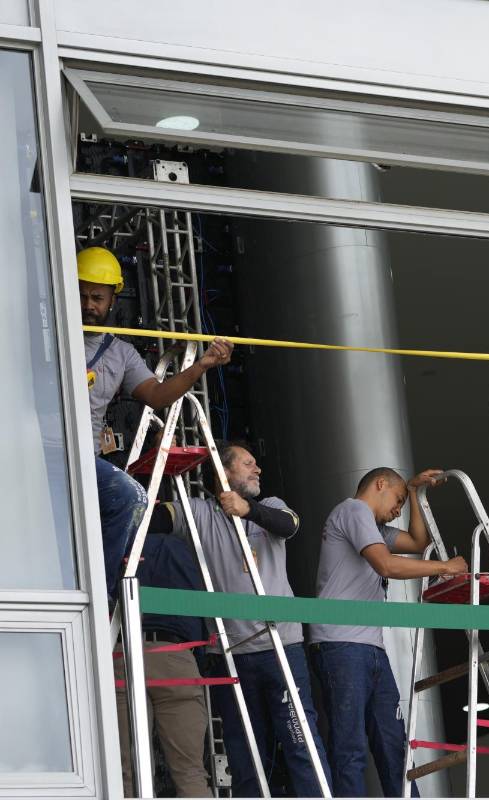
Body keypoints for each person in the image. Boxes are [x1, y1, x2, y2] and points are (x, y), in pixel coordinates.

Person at [150, 441, 330, 797]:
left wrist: (247, 510)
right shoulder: (200, 512)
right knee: (244, 751)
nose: (257, 469)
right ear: (224, 473)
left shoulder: (271, 507)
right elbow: (153, 520)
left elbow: (290, 525)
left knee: (300, 741)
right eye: (248, 464)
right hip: (229, 653)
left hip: (282, 645)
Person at [78, 246, 232, 596]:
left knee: (133, 499)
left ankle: (100, 592)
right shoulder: (49, 330)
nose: (89, 305)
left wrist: (201, 365)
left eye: (97, 298)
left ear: (114, 298)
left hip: (85, 459)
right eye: (83, 295)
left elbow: (158, 396)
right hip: (41, 448)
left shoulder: (121, 353)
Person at [309, 467, 467, 797]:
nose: (398, 510)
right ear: (379, 484)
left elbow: (416, 541)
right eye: (396, 501)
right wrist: (444, 567)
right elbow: (387, 565)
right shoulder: (353, 511)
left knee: (393, 748)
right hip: (341, 643)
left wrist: (412, 492)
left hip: (368, 646)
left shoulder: (374, 526)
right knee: (349, 748)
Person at [115, 533, 210, 797]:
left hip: (122, 654)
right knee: (189, 771)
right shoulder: (177, 549)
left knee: (128, 772)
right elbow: (196, 608)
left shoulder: (113, 543)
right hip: (173, 654)